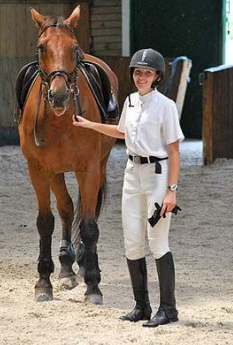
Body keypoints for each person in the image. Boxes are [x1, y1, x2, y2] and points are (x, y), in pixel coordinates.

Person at [72, 48, 184, 327]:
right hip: (132, 174)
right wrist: (89, 125)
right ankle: (141, 306)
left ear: (157, 76)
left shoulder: (166, 106)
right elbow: (121, 132)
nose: (141, 77)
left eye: (147, 73)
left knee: (157, 241)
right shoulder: (131, 102)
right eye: (137, 72)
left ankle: (168, 309)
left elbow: (174, 151)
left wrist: (172, 190)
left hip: (157, 175)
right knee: (132, 242)